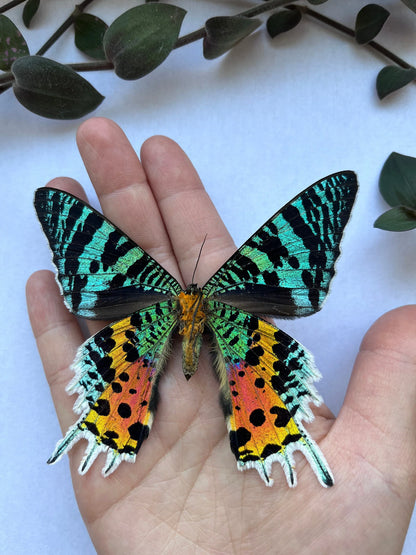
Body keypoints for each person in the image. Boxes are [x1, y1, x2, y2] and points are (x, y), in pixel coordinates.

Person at [26, 118, 416, 553]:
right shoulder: (239, 283)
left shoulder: (154, 286)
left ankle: (151, 421)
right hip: (232, 333)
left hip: (152, 333)